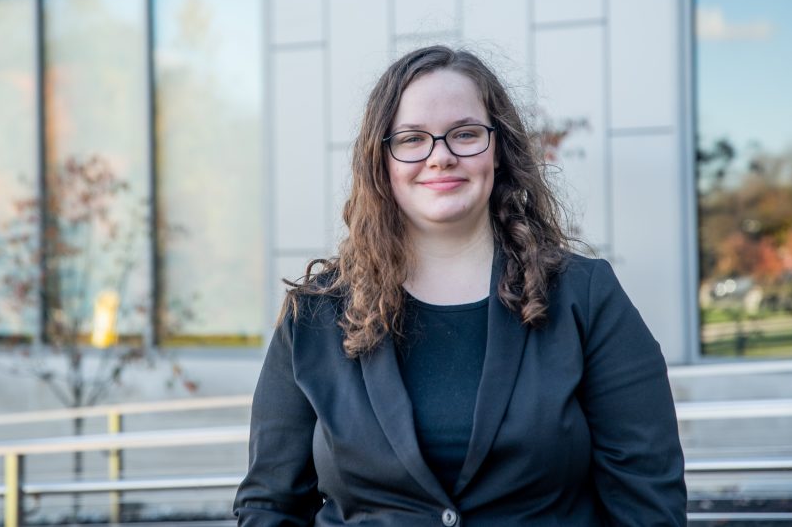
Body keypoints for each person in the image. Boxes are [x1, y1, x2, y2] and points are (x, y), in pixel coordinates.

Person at [234, 45, 686, 526]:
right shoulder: (315, 316)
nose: (441, 157)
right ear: (380, 160)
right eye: (412, 139)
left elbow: (647, 503)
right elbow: (269, 506)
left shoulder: (586, 298)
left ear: (500, 150)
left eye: (465, 134)